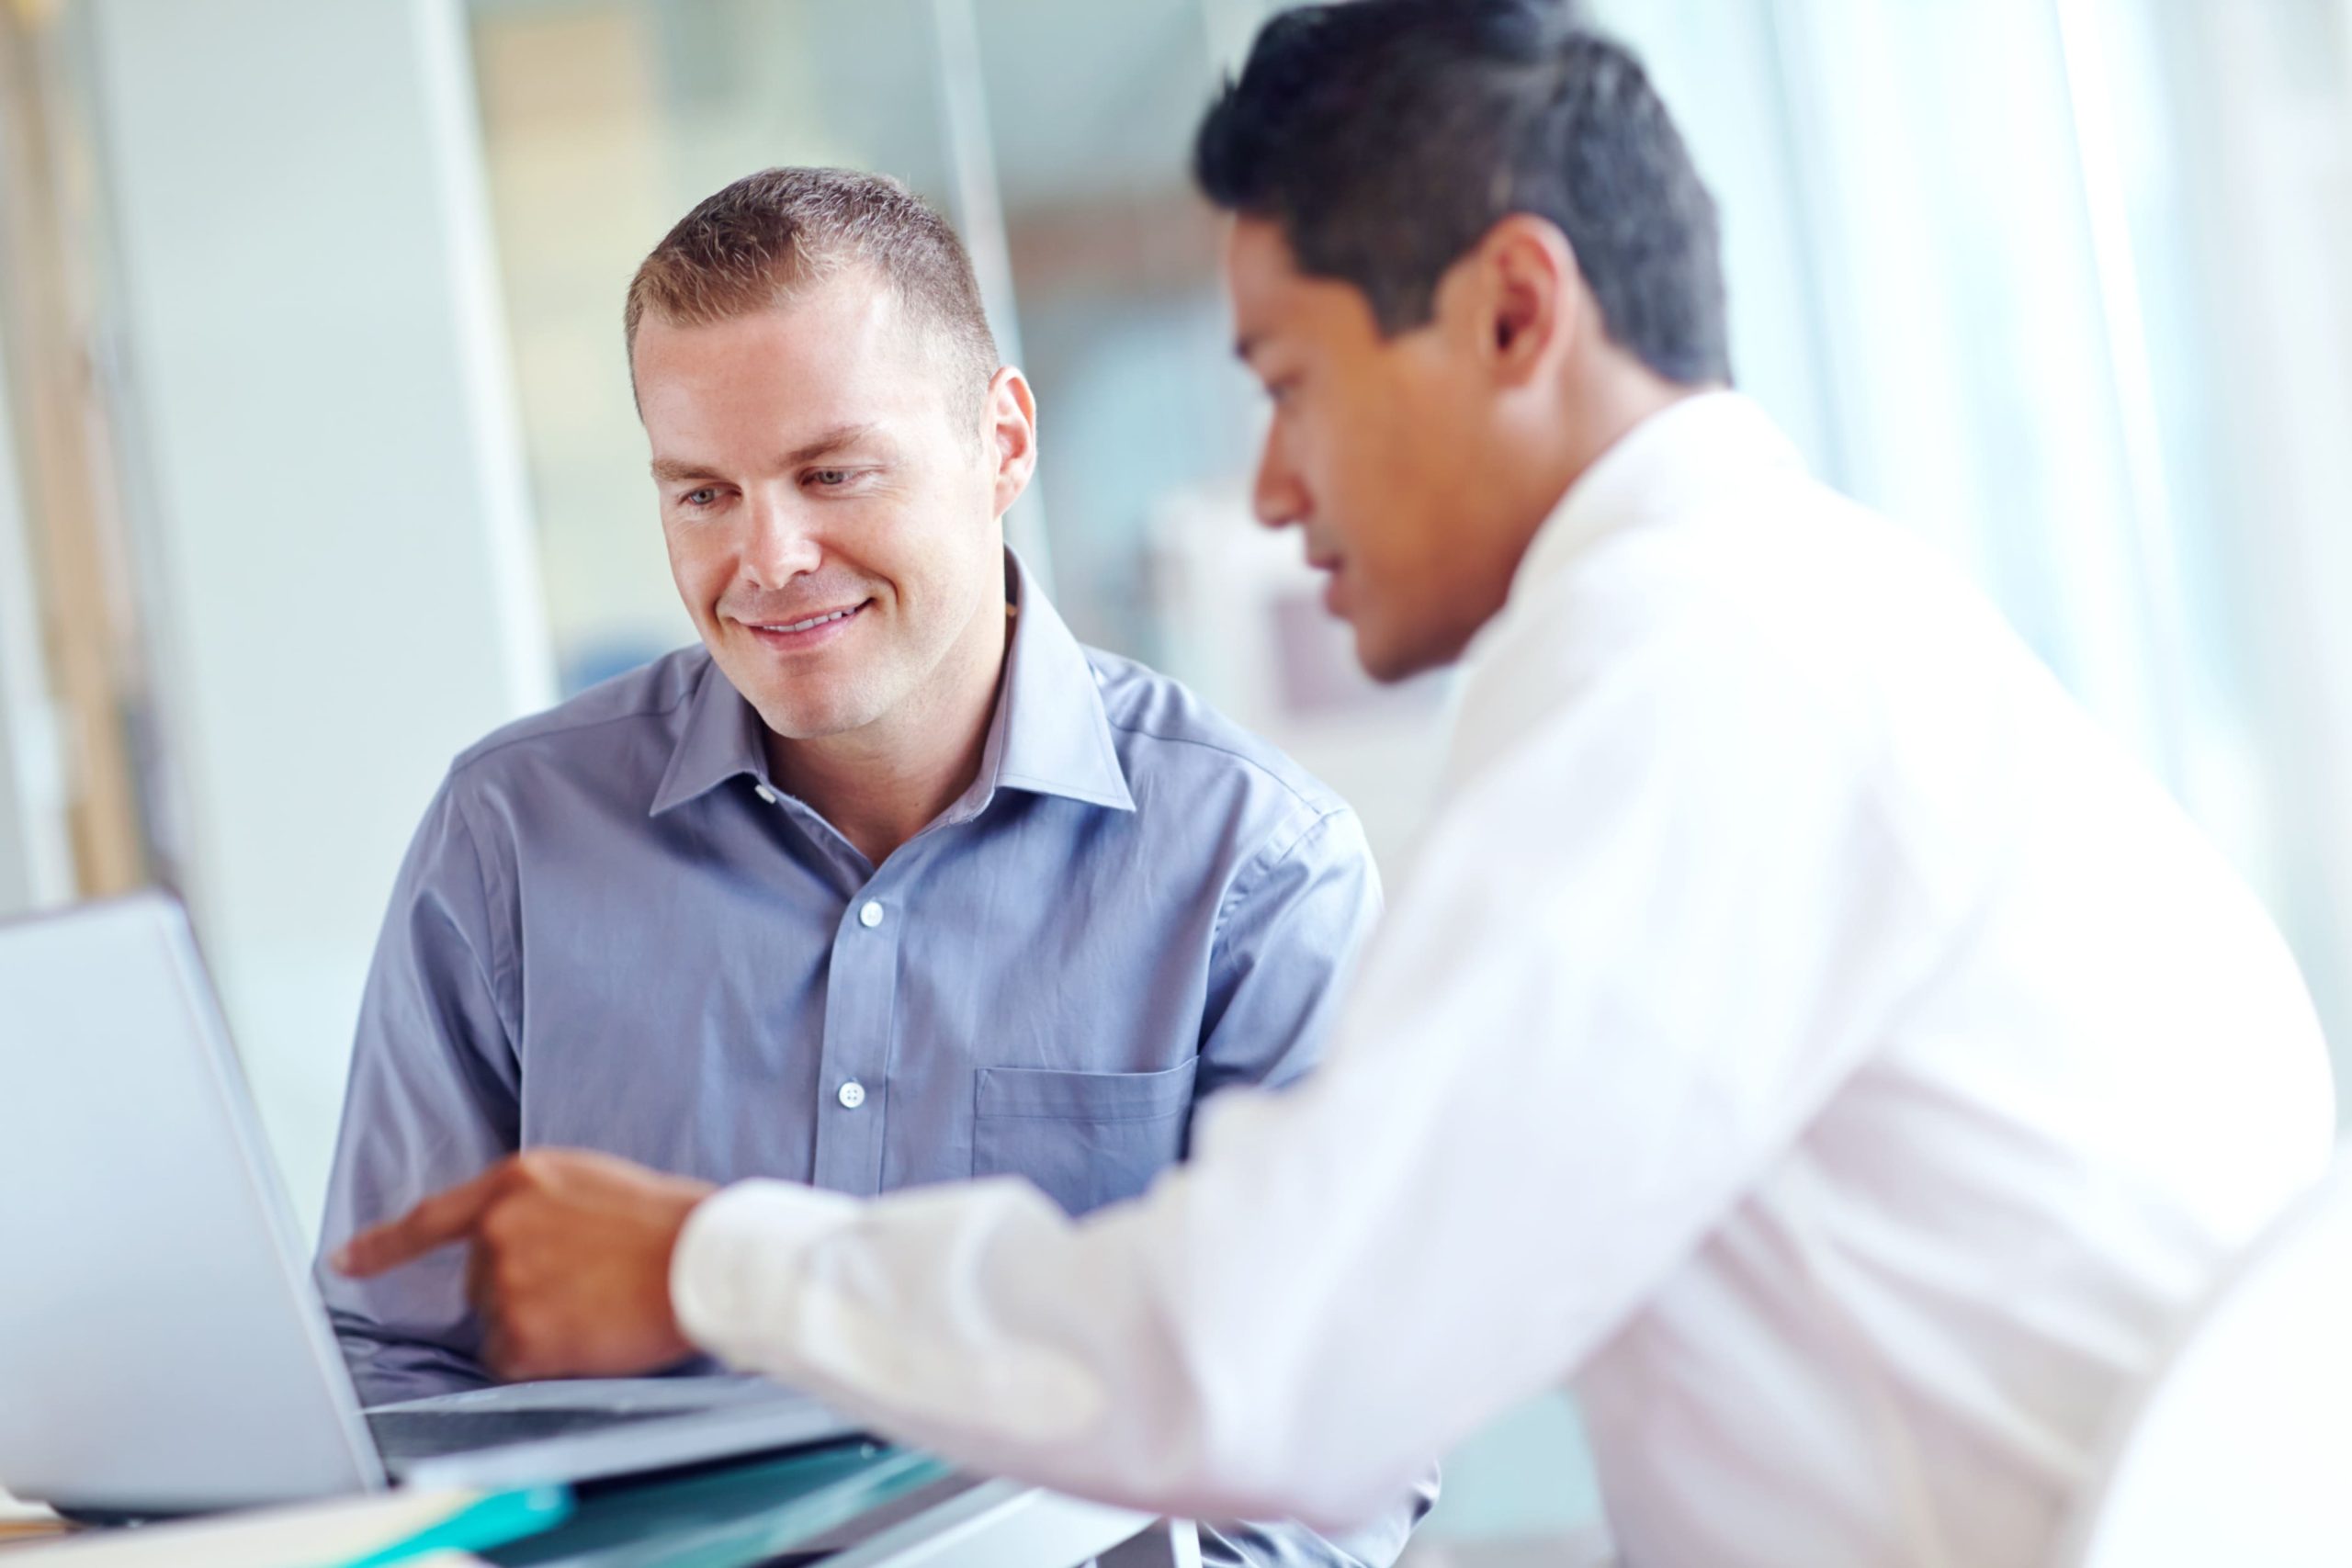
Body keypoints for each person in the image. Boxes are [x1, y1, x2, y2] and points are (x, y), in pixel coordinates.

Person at [338, 6, 2336, 1564]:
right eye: (703, 489)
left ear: (1510, 312)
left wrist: (698, 1258)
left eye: (1287, 381)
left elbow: (1278, 1352)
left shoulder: (1694, 679)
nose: (1269, 482)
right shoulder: (1779, 628)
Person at [315, 165, 1432, 1568]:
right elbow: (386, 1366)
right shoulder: (512, 837)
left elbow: (1335, 1434)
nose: (767, 557)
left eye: (832, 473)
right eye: (703, 492)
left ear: (1002, 441)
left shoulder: (1257, 870)